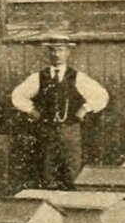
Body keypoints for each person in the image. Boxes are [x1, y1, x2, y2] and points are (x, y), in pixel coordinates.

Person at [11, 35, 109, 190]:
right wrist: (31, 110)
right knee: (47, 168)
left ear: (68, 52)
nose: (57, 54)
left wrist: (85, 108)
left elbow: (101, 95)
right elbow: (17, 95)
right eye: (53, 50)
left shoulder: (78, 77)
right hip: (46, 130)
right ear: (48, 53)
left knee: (72, 168)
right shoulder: (38, 77)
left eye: (61, 50)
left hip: (70, 130)